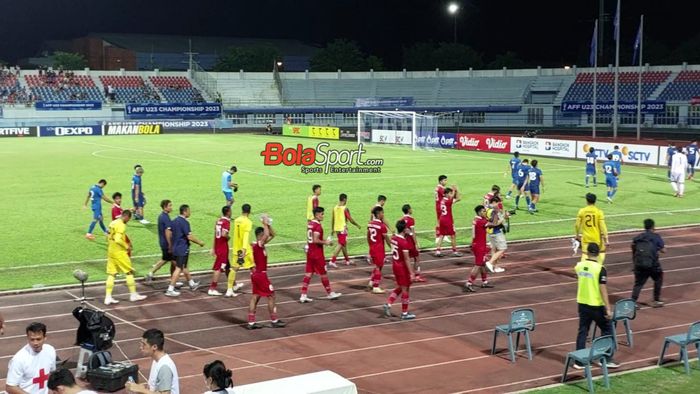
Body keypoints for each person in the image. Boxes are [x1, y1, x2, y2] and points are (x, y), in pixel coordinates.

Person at [573, 243, 620, 369]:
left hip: (582, 303)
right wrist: (608, 308)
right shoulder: (600, 269)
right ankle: (606, 358)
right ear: (598, 254)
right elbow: (602, 288)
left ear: (587, 252)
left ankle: (579, 361)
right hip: (596, 305)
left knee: (583, 331)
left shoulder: (579, 266)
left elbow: (580, 272)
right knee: (608, 329)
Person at [247, 215, 286, 329]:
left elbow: (273, 234)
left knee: (255, 296)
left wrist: (268, 224)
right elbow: (268, 234)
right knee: (271, 296)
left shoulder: (259, 245)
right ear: (260, 235)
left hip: (255, 274)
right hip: (261, 275)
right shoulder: (259, 244)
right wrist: (264, 223)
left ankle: (251, 322)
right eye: (263, 233)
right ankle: (274, 320)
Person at [299, 207, 342, 303]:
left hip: (310, 252)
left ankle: (303, 295)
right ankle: (330, 293)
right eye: (322, 214)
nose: (323, 216)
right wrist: (326, 242)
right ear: (317, 214)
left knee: (308, 273)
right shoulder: (318, 226)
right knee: (323, 273)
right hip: (317, 254)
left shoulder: (310, 224)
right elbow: (315, 240)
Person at [104, 210, 147, 305]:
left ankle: (108, 297)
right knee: (129, 272)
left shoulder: (113, 222)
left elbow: (106, 235)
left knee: (112, 274)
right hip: (119, 252)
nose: (129, 220)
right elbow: (118, 239)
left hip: (111, 251)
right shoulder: (121, 225)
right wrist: (127, 246)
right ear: (127, 217)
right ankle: (133, 295)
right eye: (129, 218)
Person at [165, 205, 205, 297]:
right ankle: (170, 289)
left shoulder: (174, 221)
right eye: (189, 211)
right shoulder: (185, 222)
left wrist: (170, 244)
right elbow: (189, 236)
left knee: (184, 267)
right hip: (182, 249)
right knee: (178, 268)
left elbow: (168, 231)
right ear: (185, 212)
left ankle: (191, 284)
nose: (190, 212)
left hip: (175, 248)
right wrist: (200, 242)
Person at [6, 322, 56, 394]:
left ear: (45, 337)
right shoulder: (19, 359)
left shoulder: (50, 350)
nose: (35, 343)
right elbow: (10, 387)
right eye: (32, 339)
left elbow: (51, 373)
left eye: (38, 339)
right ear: (27, 338)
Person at [125, 329, 180, 394]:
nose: (141, 347)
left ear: (154, 347)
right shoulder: (156, 361)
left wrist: (141, 390)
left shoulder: (164, 367)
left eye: (144, 345)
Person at [382, 220, 416, 320]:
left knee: (401, 287)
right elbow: (406, 258)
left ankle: (388, 304)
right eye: (407, 227)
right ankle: (404, 313)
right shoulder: (404, 242)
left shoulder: (393, 238)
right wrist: (411, 273)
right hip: (402, 267)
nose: (408, 229)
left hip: (395, 265)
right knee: (405, 289)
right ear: (404, 229)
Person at [631, 219, 666, 308]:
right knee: (658, 278)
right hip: (652, 264)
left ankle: (633, 301)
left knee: (638, 284)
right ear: (653, 227)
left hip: (639, 264)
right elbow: (663, 250)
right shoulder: (656, 237)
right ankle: (656, 299)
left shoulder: (638, 237)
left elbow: (633, 246)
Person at [227, 203, 255, 296]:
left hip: (236, 249)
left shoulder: (236, 220)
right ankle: (256, 288)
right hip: (245, 250)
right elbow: (245, 236)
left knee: (234, 269)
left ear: (242, 210)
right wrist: (244, 249)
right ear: (249, 211)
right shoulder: (248, 222)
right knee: (253, 268)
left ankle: (229, 289)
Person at [146, 200, 177, 284]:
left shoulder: (161, 216)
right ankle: (175, 280)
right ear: (165, 207)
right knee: (176, 263)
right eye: (170, 206)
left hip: (163, 242)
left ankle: (151, 273)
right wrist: (170, 245)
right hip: (167, 244)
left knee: (166, 259)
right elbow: (168, 232)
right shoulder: (165, 218)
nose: (171, 207)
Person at [465, 205, 495, 292]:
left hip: (476, 244)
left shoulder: (476, 220)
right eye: (483, 211)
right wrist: (501, 216)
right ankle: (469, 282)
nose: (485, 213)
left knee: (482, 263)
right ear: (479, 212)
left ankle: (484, 281)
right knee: (478, 264)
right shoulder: (481, 221)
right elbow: (493, 224)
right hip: (480, 246)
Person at [574, 193, 609, 264]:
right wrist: (606, 239)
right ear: (595, 201)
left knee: (585, 254)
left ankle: (583, 270)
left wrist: (577, 235)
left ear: (587, 201)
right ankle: (598, 268)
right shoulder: (599, 212)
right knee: (601, 252)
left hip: (586, 238)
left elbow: (577, 225)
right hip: (597, 238)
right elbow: (603, 226)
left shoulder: (582, 211)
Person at [329, 193, 361, 268]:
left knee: (344, 245)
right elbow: (350, 219)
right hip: (342, 229)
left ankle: (347, 260)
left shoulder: (335, 207)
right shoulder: (345, 208)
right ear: (344, 199)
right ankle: (332, 261)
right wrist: (357, 225)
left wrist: (332, 229)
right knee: (341, 244)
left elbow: (333, 219)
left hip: (337, 228)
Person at [208, 206, 232, 296]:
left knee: (227, 266)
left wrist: (213, 247)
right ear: (228, 212)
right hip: (223, 247)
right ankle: (212, 288)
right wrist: (228, 237)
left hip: (218, 245)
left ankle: (233, 284)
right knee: (218, 267)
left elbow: (216, 234)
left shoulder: (218, 221)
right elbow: (224, 234)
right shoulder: (226, 222)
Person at [367, 206, 391, 293]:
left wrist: (370, 246)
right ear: (378, 214)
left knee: (378, 266)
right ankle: (376, 287)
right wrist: (392, 247)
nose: (383, 214)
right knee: (378, 267)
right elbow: (386, 238)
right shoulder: (382, 226)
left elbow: (368, 236)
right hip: (379, 249)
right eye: (382, 213)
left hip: (372, 248)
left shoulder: (370, 224)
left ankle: (371, 282)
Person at [435, 187, 461, 257]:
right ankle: (455, 251)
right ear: (446, 194)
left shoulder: (442, 200)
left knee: (442, 235)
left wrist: (453, 192)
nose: (450, 194)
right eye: (449, 193)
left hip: (442, 219)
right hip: (448, 220)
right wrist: (456, 190)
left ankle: (438, 251)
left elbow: (452, 197)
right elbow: (458, 198)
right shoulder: (448, 201)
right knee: (453, 235)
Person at [401, 204, 425, 282]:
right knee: (417, 258)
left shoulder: (401, 219)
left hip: (404, 242)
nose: (412, 210)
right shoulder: (411, 220)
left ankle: (406, 275)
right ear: (408, 210)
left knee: (406, 259)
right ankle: (417, 276)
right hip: (410, 242)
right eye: (411, 209)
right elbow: (413, 233)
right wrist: (416, 243)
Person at [485, 196, 507, 273]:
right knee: (502, 249)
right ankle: (490, 263)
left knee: (494, 249)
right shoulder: (494, 211)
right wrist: (503, 218)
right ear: (494, 202)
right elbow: (495, 223)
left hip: (490, 232)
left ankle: (495, 267)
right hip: (496, 232)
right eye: (498, 203)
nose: (498, 205)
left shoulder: (487, 209)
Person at [434, 175, 448, 244]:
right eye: (445, 180)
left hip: (439, 206)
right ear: (440, 181)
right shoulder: (441, 189)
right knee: (440, 222)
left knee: (443, 222)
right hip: (440, 207)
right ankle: (437, 237)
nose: (446, 182)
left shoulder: (438, 187)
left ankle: (444, 235)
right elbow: (447, 196)